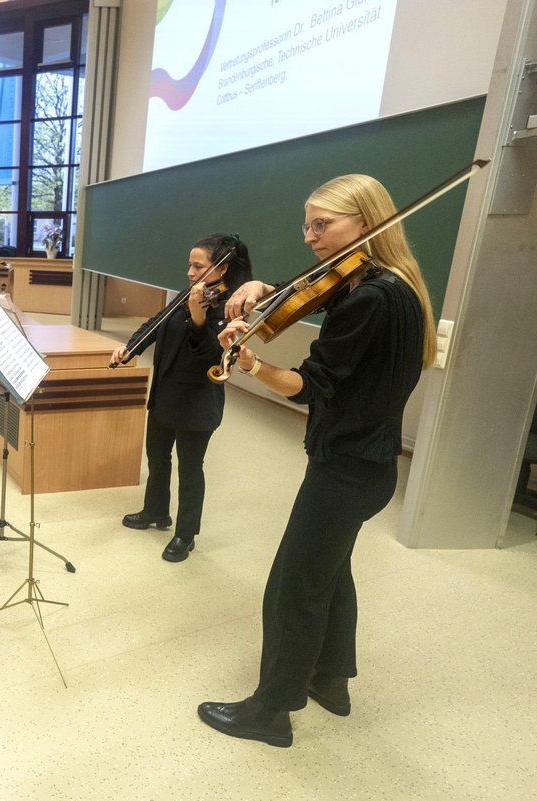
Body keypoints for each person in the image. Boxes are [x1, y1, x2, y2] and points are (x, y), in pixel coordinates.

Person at [197, 174, 436, 748]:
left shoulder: (370, 300)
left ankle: (270, 712)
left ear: (364, 221)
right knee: (332, 573)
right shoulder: (387, 284)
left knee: (293, 587)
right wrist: (260, 286)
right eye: (307, 224)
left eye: (321, 224)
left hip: (344, 467)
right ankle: (332, 680)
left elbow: (308, 386)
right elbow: (308, 288)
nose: (310, 236)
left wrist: (251, 365)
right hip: (372, 466)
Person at [108, 234, 252, 562]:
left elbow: (211, 358)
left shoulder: (232, 308)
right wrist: (131, 347)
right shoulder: (190, 294)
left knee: (190, 470)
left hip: (198, 403)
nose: (189, 271)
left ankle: (186, 535)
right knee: (157, 459)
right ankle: (156, 512)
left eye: (197, 265)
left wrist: (198, 318)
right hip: (165, 393)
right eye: (189, 264)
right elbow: (155, 325)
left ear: (223, 267)